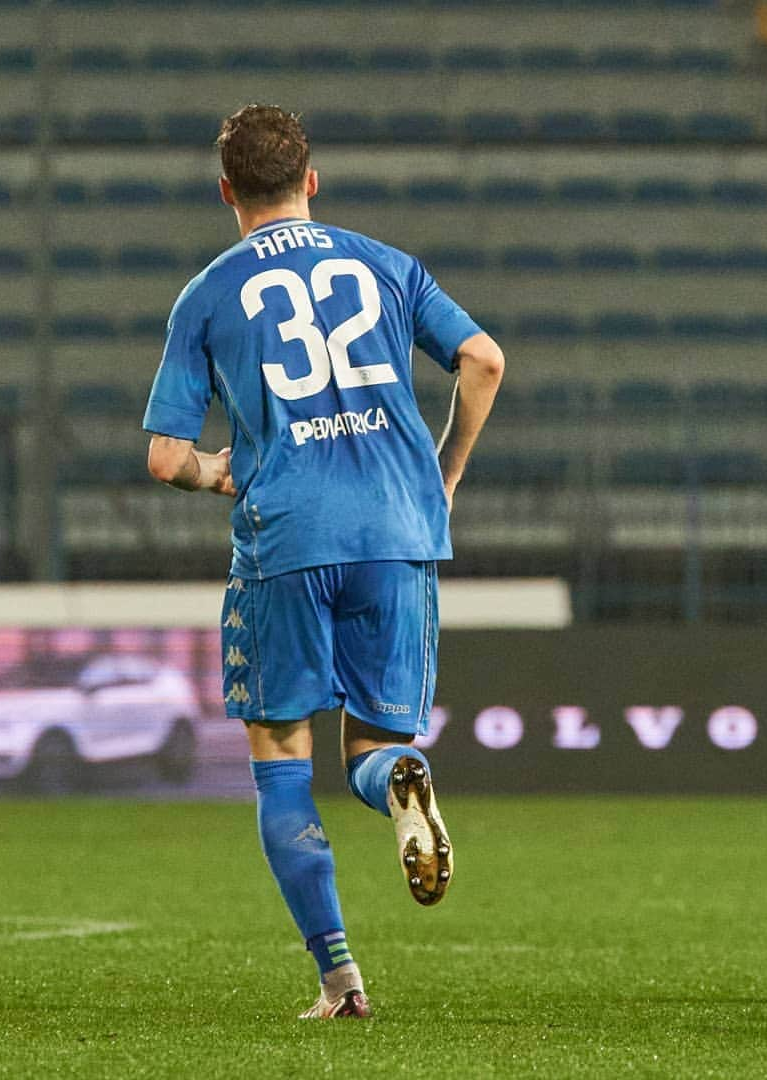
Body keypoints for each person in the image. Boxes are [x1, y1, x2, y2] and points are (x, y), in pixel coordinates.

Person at [143, 104, 504, 1019]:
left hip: (288, 536)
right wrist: (444, 474)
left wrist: (219, 475)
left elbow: (165, 457)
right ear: (313, 181)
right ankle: (400, 783)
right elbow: (483, 361)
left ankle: (340, 981)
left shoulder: (208, 294)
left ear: (227, 191)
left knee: (279, 758)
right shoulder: (387, 265)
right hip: (396, 528)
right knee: (373, 750)